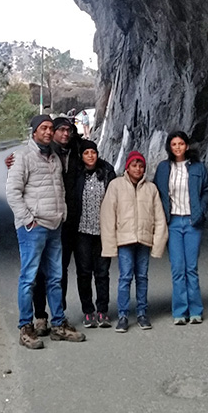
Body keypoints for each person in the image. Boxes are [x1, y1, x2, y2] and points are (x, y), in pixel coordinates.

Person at [5, 114, 85, 348]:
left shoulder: (54, 158)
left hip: (54, 226)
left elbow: (58, 188)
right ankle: (25, 326)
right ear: (34, 132)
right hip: (34, 227)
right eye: (44, 128)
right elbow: (12, 193)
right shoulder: (22, 157)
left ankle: (58, 323)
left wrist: (62, 215)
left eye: (51, 128)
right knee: (29, 278)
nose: (49, 132)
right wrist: (29, 220)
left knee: (55, 277)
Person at [100, 150, 168, 332]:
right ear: (127, 167)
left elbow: (159, 217)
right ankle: (123, 315)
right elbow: (108, 215)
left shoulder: (151, 188)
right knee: (125, 277)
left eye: (140, 166)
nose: (137, 169)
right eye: (134, 165)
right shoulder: (116, 186)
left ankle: (142, 313)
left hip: (144, 238)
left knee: (143, 277)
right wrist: (110, 244)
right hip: (125, 239)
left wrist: (158, 242)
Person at [153, 131, 208, 324]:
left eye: (181, 144)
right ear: (169, 147)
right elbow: (157, 192)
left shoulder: (197, 167)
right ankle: (180, 311)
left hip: (193, 221)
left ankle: (196, 310)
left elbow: (206, 190)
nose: (177, 147)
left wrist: (201, 211)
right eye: (174, 144)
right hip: (174, 222)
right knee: (178, 268)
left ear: (187, 146)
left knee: (191, 268)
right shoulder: (163, 168)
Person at [74, 140, 116, 327]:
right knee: (84, 272)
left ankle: (102, 311)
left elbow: (116, 197)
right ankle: (88, 311)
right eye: (86, 153)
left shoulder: (107, 172)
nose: (90, 156)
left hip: (103, 231)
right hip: (82, 231)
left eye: (93, 152)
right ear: (81, 156)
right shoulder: (76, 173)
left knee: (102, 272)